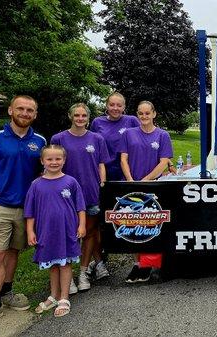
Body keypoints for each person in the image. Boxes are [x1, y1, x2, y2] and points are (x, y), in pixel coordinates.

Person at [0, 95, 46, 331]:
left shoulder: (40, 141)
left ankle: (7, 291)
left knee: (14, 251)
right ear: (11, 110)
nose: (25, 113)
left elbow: (45, 173)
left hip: (26, 208)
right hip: (0, 205)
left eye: (30, 110)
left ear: (35, 114)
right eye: (21, 108)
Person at [51, 103, 111, 292]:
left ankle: (83, 272)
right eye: (76, 115)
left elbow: (102, 164)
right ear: (70, 116)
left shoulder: (97, 138)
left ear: (88, 118)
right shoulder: (59, 138)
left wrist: (102, 184)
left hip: (91, 193)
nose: (80, 119)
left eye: (84, 116)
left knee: (90, 232)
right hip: (65, 196)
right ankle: (67, 277)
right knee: (69, 235)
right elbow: (50, 166)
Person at [24, 145, 86, 317]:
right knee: (52, 264)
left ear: (64, 160)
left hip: (66, 230)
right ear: (42, 161)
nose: (54, 162)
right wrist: (30, 231)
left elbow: (80, 207)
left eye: (58, 159)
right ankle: (54, 295)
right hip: (46, 231)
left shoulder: (71, 182)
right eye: (49, 159)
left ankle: (64, 297)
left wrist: (81, 225)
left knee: (65, 263)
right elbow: (30, 212)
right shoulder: (36, 185)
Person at [119, 101, 176, 283]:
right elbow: (123, 159)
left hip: (154, 186)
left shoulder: (162, 135)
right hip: (133, 185)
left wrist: (146, 180)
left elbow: (164, 162)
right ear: (137, 114)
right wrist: (130, 180)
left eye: (147, 113)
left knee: (154, 224)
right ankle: (138, 265)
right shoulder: (128, 134)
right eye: (140, 114)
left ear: (154, 114)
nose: (144, 117)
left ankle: (156, 264)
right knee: (135, 226)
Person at [89, 92, 138, 280]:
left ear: (124, 107)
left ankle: (135, 253)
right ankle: (100, 258)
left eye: (119, 105)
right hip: (103, 176)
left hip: (126, 174)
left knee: (128, 214)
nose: (115, 108)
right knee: (101, 218)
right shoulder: (97, 123)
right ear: (106, 105)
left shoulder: (132, 121)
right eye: (112, 105)